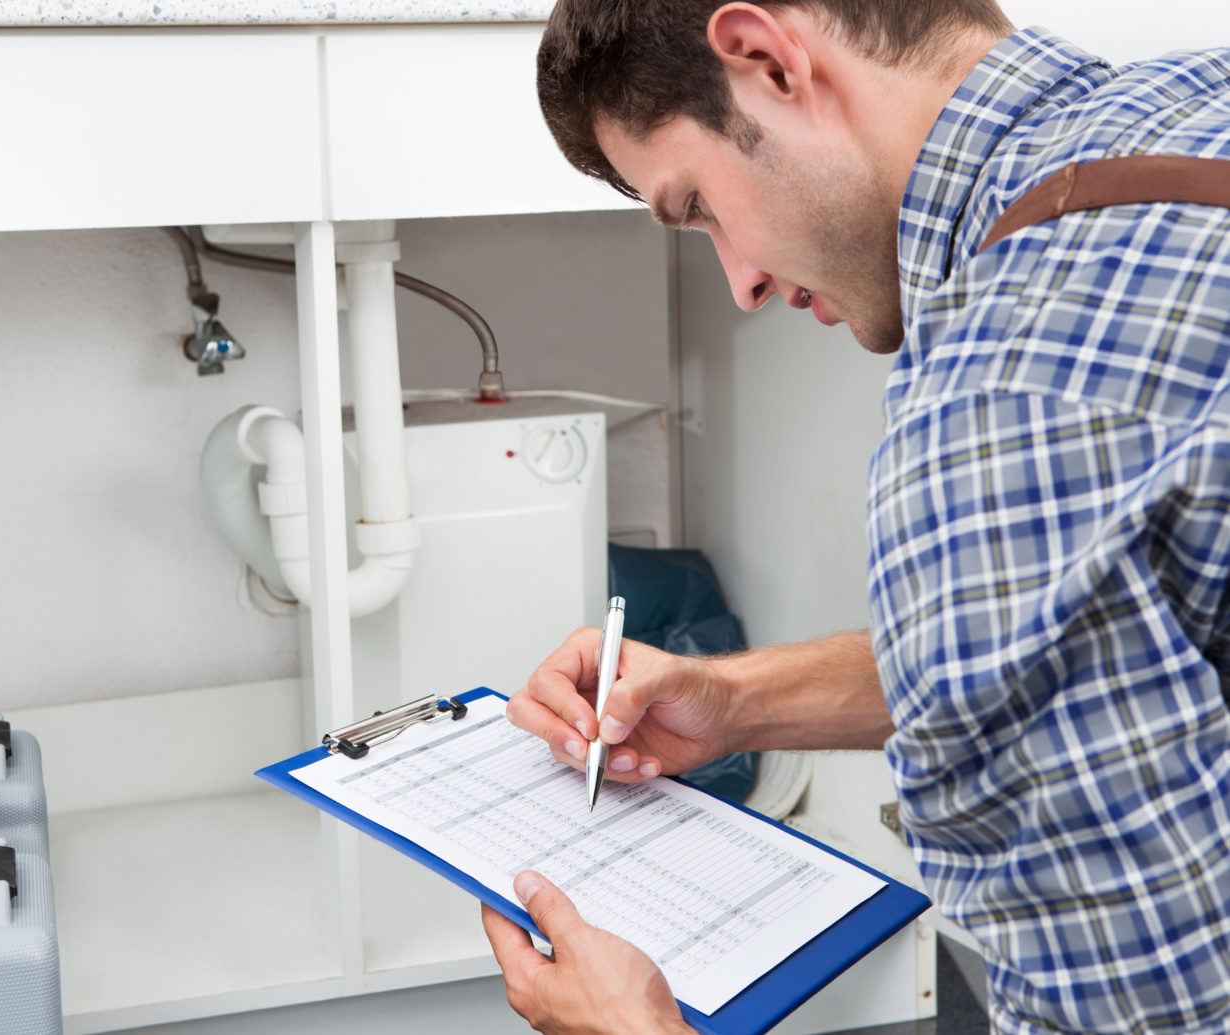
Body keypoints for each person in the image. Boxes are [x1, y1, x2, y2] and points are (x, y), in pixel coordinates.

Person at [478, 2, 1230, 1032]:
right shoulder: (1197, 103)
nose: (740, 283)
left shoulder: (996, 418)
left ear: (766, 61)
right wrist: (737, 700)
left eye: (697, 205)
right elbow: (1150, 609)